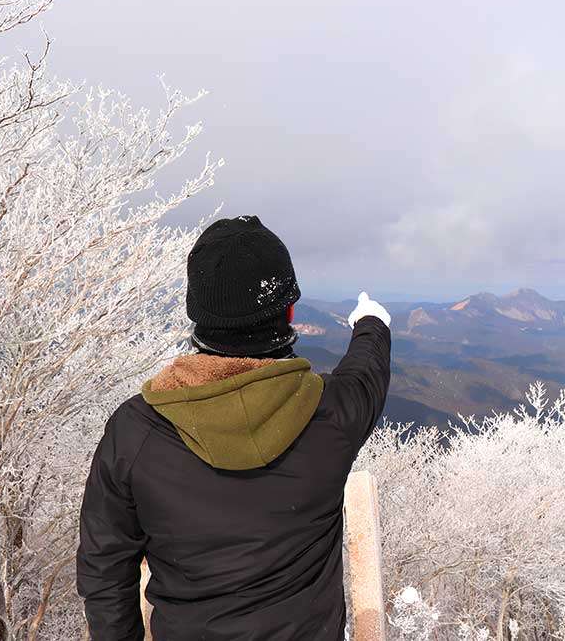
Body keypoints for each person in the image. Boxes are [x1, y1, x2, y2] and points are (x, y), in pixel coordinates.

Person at [76, 215, 392, 640]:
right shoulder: (332, 416)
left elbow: (104, 569)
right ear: (290, 311)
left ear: (196, 314)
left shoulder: (135, 434)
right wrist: (371, 323)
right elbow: (366, 373)